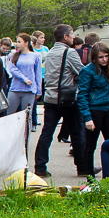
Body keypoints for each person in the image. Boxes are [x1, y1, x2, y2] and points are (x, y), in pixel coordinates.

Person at [33, 24, 87, 178]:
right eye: (71, 34)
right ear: (65, 37)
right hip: (67, 98)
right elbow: (82, 72)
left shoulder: (50, 53)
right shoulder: (70, 52)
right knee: (77, 133)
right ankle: (82, 167)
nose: (73, 37)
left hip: (50, 98)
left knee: (47, 132)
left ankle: (40, 166)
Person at [78, 42, 109, 176]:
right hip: (94, 110)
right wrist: (87, 117)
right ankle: (90, 177)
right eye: (101, 57)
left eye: (106, 56)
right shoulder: (87, 71)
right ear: (94, 58)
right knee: (90, 146)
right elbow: (82, 95)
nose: (104, 59)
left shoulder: (108, 70)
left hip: (108, 109)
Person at [6, 33, 42, 128]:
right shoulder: (13, 55)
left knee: (27, 116)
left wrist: (39, 90)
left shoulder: (36, 56)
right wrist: (24, 79)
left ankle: (26, 137)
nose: (17, 44)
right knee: (9, 113)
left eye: (19, 42)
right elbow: (12, 69)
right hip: (15, 89)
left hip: (29, 90)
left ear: (26, 43)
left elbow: (38, 74)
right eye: (16, 42)